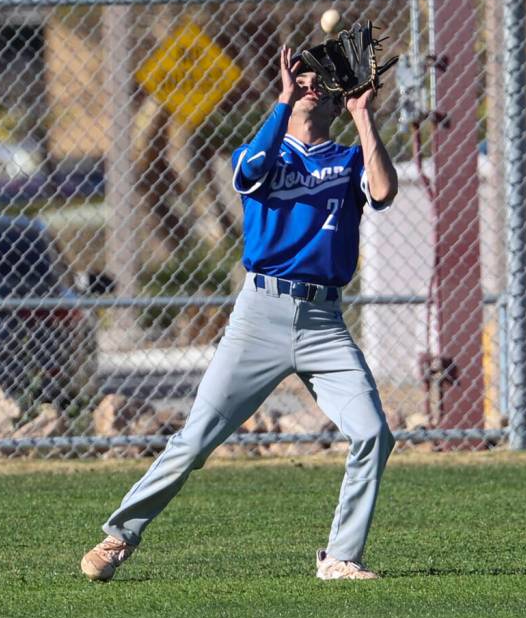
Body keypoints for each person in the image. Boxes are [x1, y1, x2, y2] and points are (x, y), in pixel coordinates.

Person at [81, 43, 398, 582]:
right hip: (261, 314)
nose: (308, 86)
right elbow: (247, 173)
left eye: (319, 80)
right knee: (197, 437)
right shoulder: (266, 152)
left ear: (335, 96)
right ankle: (118, 536)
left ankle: (341, 557)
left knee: (373, 431)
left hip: (323, 322)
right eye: (301, 77)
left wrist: (363, 115)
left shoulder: (346, 162)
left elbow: (385, 192)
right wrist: (281, 100)